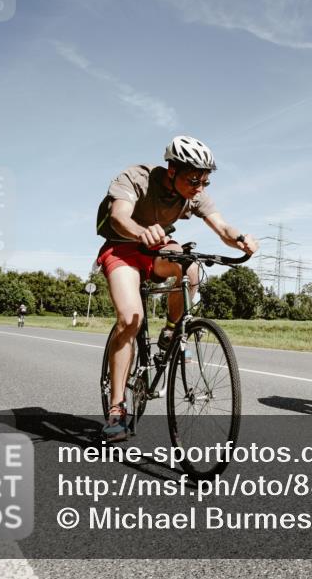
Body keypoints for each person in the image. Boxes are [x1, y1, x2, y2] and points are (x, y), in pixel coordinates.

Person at [95, 135, 258, 442]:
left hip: (158, 249)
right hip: (122, 248)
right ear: (172, 170)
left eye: (205, 182)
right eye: (194, 180)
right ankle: (116, 409)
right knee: (131, 319)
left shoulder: (194, 195)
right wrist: (141, 231)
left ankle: (171, 329)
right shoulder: (137, 177)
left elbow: (222, 227)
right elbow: (118, 216)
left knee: (191, 266)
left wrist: (240, 239)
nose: (199, 188)